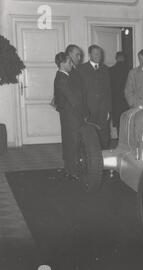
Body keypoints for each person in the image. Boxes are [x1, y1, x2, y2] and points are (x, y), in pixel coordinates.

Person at [53, 52, 85, 180]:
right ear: (62, 64)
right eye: (69, 62)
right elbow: (73, 100)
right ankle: (72, 170)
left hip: (68, 115)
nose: (71, 64)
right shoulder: (62, 78)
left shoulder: (64, 76)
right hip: (71, 116)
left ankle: (69, 169)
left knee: (69, 142)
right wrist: (84, 113)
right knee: (72, 142)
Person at [78, 45, 112, 149]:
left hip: (103, 109)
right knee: (89, 135)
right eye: (95, 53)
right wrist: (82, 110)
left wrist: (109, 110)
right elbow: (79, 92)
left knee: (104, 134)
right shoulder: (81, 69)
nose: (99, 56)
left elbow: (109, 91)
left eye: (100, 53)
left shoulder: (106, 69)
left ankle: (104, 158)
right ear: (89, 55)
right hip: (88, 109)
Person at [109, 51, 129, 136]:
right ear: (124, 58)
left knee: (118, 123)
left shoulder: (110, 70)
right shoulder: (129, 70)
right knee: (127, 123)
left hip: (115, 100)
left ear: (116, 58)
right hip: (126, 100)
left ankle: (119, 142)